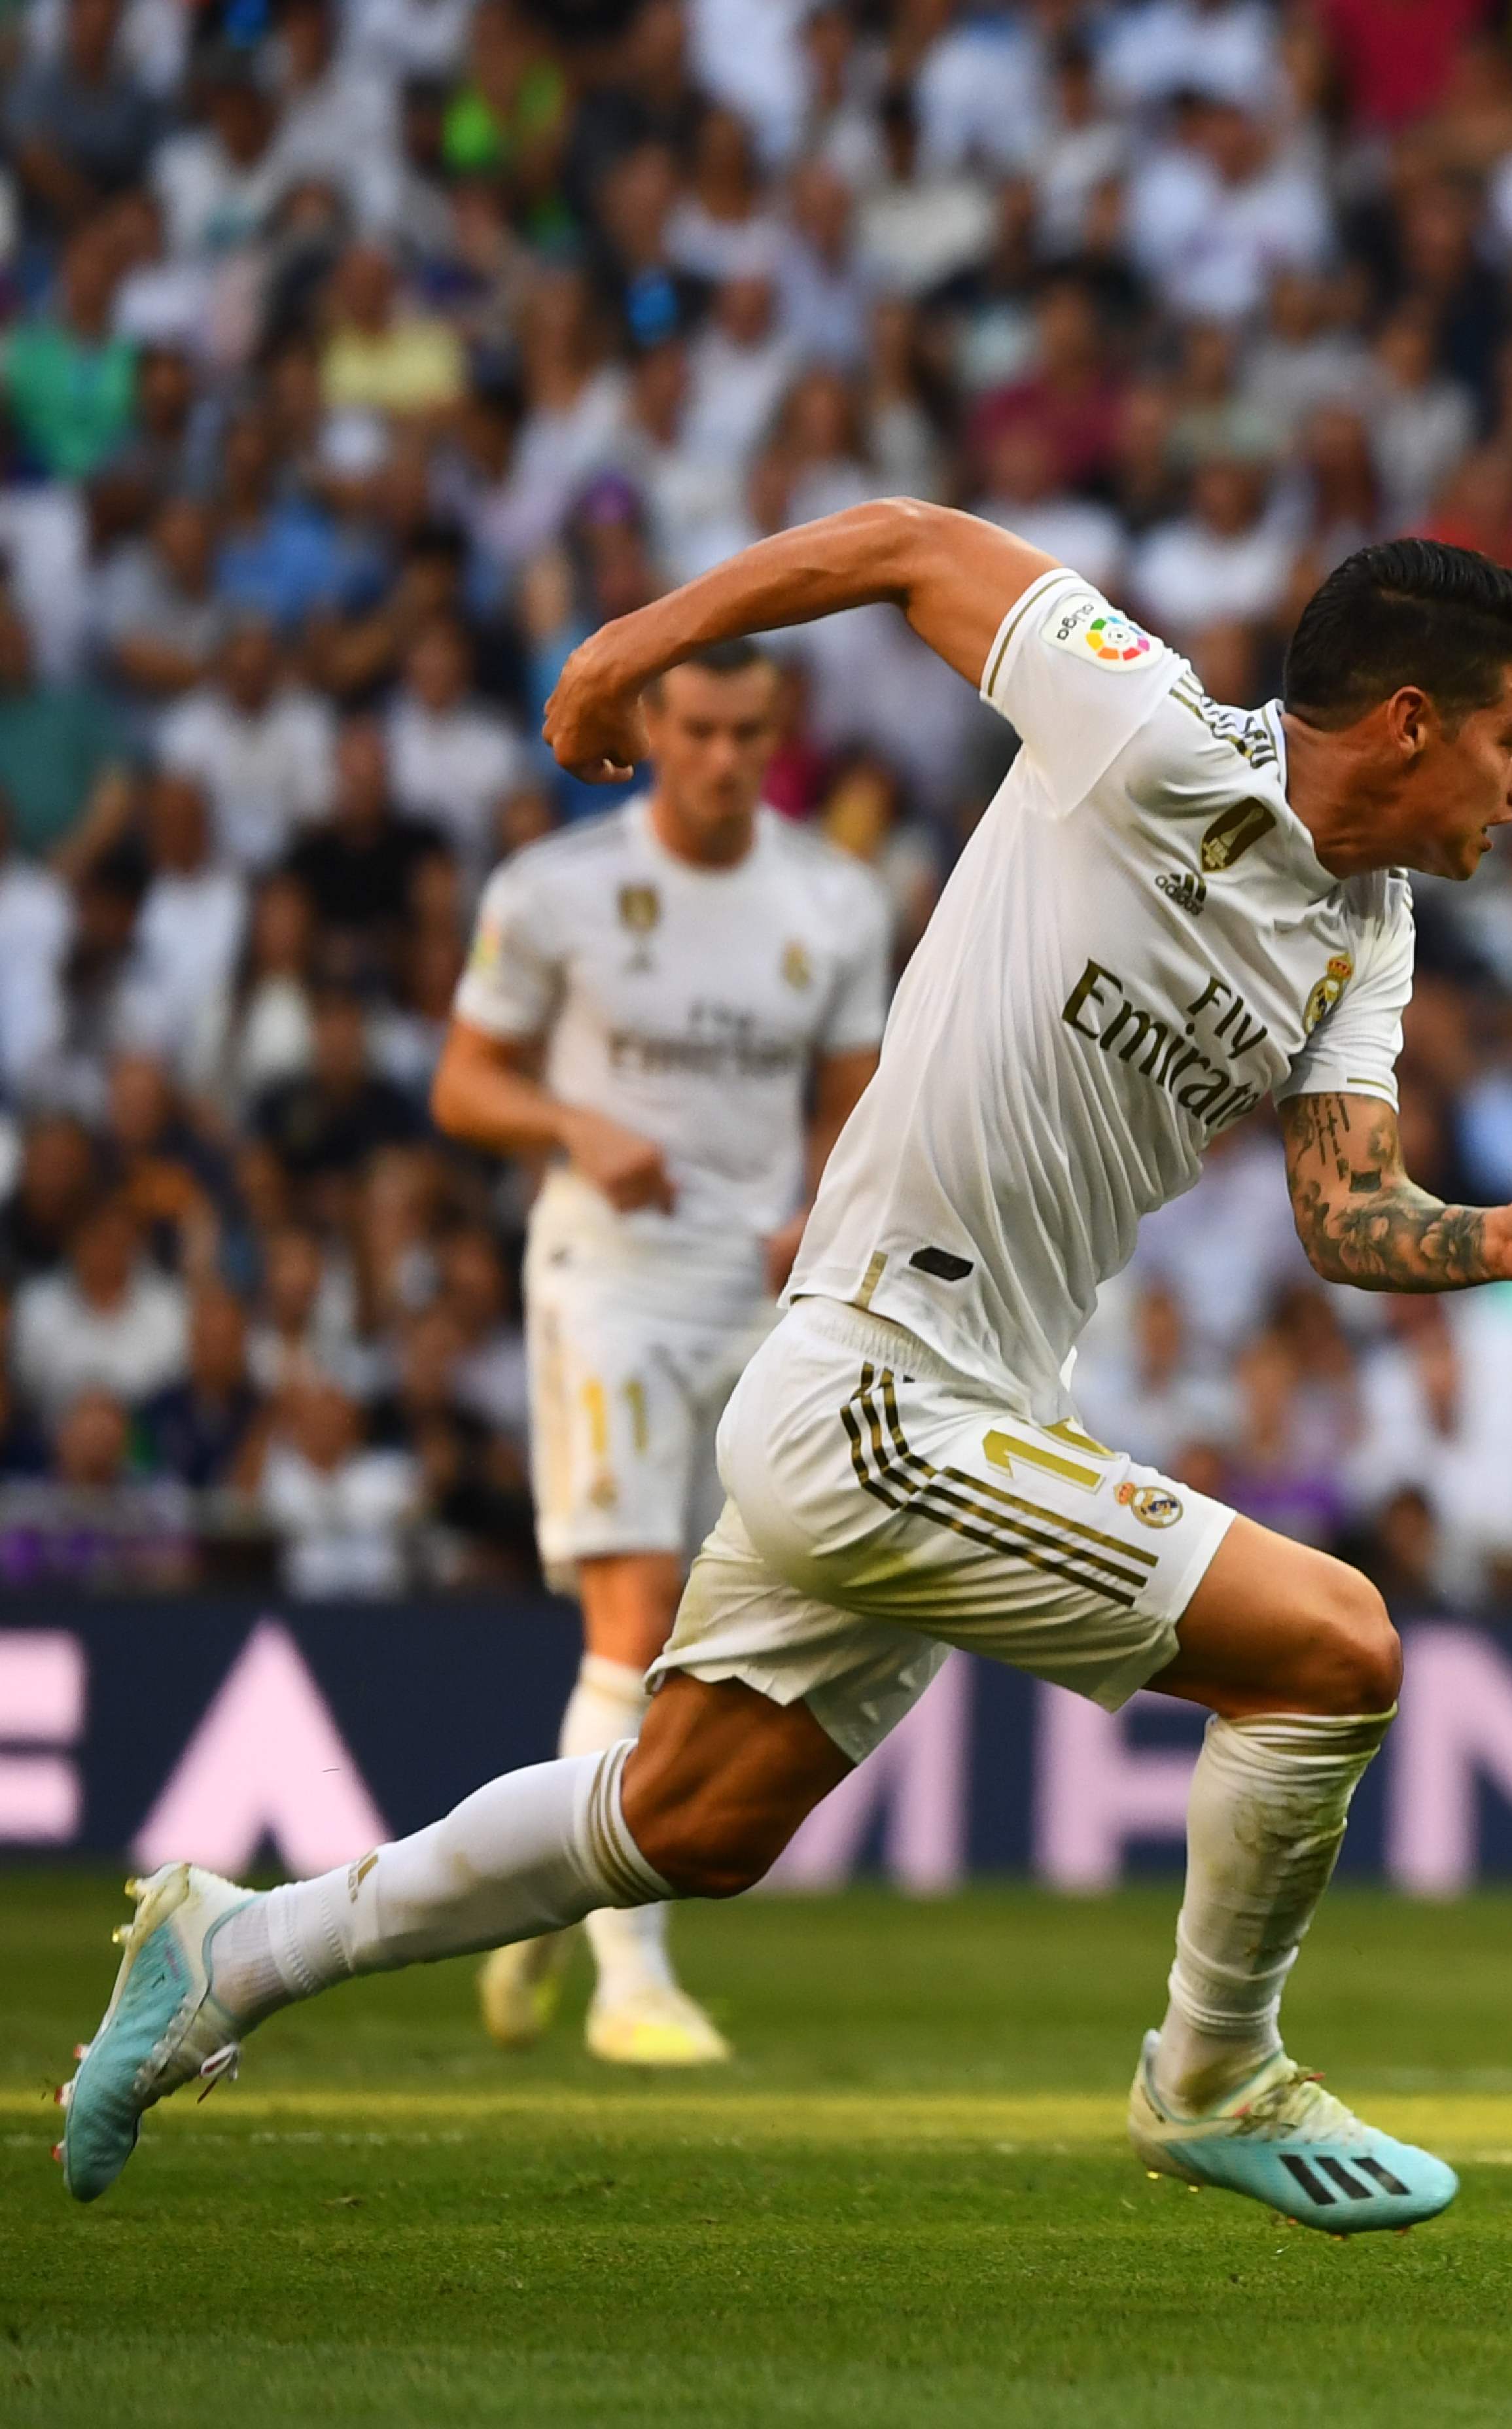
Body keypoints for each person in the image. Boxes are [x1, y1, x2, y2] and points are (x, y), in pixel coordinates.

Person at [60, 515, 1512, 2232]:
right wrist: (634, 645)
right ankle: (1212, 2074)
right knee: (1335, 1650)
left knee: (692, 1818)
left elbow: (1346, 1212)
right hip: (880, 1387)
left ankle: (240, 1946)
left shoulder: (1366, 925)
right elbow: (905, 545)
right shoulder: (1143, 728)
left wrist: (1490, 1238)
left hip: (966, 1401)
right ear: (1411, 722)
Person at [429, 636, 890, 2066]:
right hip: (610, 1281)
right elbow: (462, 1082)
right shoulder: (554, 889)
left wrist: (822, 1207)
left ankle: (541, 1909)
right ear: (650, 724)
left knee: (703, 1632)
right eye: (694, 727)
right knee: (630, 1625)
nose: (721, 757)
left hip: (762, 1296)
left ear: (778, 730)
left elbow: (852, 1103)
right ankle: (633, 1977)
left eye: (748, 731)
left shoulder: (835, 897)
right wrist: (575, 1123)